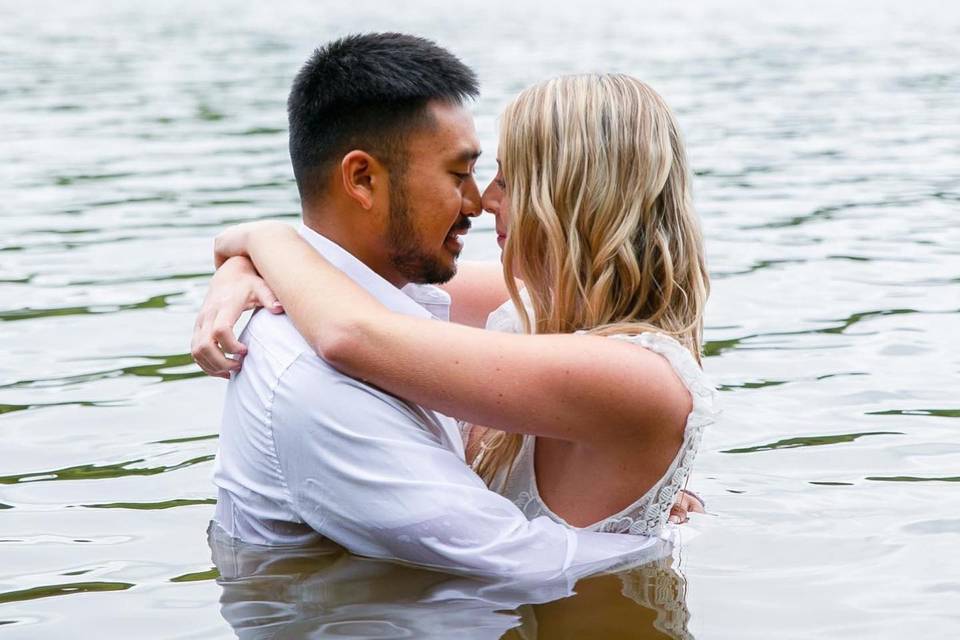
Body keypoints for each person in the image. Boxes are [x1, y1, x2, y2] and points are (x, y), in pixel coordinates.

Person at [192, 33, 693, 580]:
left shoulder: (613, 360)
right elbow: (350, 308)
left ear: (571, 199)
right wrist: (250, 255)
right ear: (361, 179)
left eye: (505, 177)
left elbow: (352, 326)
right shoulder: (316, 373)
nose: (483, 201)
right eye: (465, 175)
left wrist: (260, 240)